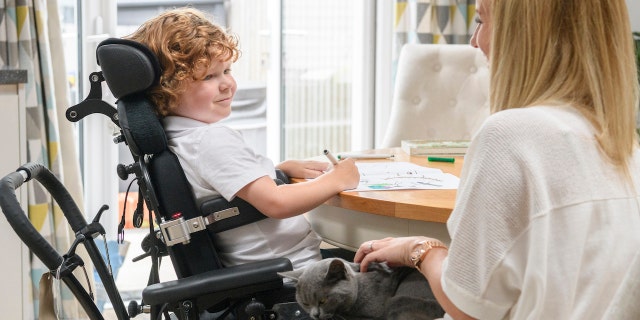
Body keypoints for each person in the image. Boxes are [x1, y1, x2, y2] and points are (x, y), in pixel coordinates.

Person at [355, 0, 640, 319]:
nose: (474, 40)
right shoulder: (626, 147)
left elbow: (466, 307)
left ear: (527, 34)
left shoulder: (509, 136)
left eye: (480, 20)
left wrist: (419, 250)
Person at [126, 7, 360, 269]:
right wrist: (337, 179)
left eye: (226, 70)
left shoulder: (177, 137)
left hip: (271, 266)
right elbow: (276, 203)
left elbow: (222, 186)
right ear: (169, 88)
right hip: (295, 271)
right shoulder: (209, 140)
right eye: (209, 76)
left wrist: (277, 171)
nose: (227, 84)